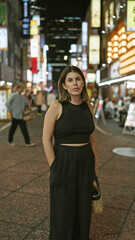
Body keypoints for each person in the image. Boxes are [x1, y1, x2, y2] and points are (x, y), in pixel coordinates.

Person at [42, 65, 98, 240]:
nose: (75, 83)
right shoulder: (57, 106)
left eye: (78, 79)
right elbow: (45, 139)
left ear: (83, 82)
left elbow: (93, 140)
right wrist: (54, 166)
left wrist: (95, 168)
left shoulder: (89, 107)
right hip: (64, 160)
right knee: (63, 209)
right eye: (70, 80)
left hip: (85, 160)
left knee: (83, 208)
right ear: (64, 85)